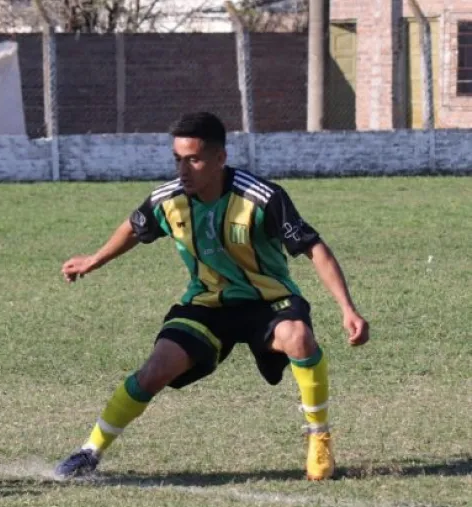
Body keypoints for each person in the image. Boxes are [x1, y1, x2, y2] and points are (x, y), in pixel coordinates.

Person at [53, 112, 370, 482]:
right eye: (177, 159)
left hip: (268, 302)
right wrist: (95, 259)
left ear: (220, 158)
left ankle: (319, 437)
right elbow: (134, 226)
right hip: (206, 304)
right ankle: (90, 451)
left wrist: (348, 308)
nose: (183, 169)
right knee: (154, 371)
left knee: (299, 338)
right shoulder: (169, 199)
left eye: (194, 159)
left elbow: (315, 248)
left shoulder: (262, 197)